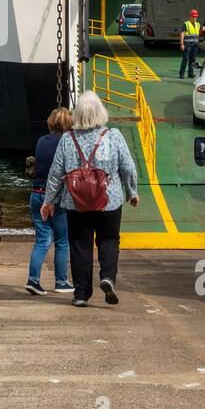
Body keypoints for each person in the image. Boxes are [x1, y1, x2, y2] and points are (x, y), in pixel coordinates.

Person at [40, 91, 139, 307]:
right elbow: (128, 168)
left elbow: (56, 173)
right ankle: (107, 277)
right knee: (109, 239)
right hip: (109, 201)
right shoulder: (114, 136)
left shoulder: (67, 139)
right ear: (100, 112)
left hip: (76, 202)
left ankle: (82, 294)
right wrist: (132, 192)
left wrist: (49, 201)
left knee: (79, 245)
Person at [25, 107, 74, 296]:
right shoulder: (67, 142)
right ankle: (61, 281)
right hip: (56, 197)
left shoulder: (41, 141)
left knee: (42, 239)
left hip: (36, 194)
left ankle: (33, 280)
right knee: (62, 241)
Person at [179, 8, 205, 79]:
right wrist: (182, 44)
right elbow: (182, 34)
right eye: (193, 16)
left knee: (192, 60)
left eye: (195, 16)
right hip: (187, 45)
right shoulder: (186, 24)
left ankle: (190, 74)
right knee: (185, 59)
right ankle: (181, 74)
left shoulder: (197, 24)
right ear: (190, 16)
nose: (194, 18)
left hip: (195, 45)